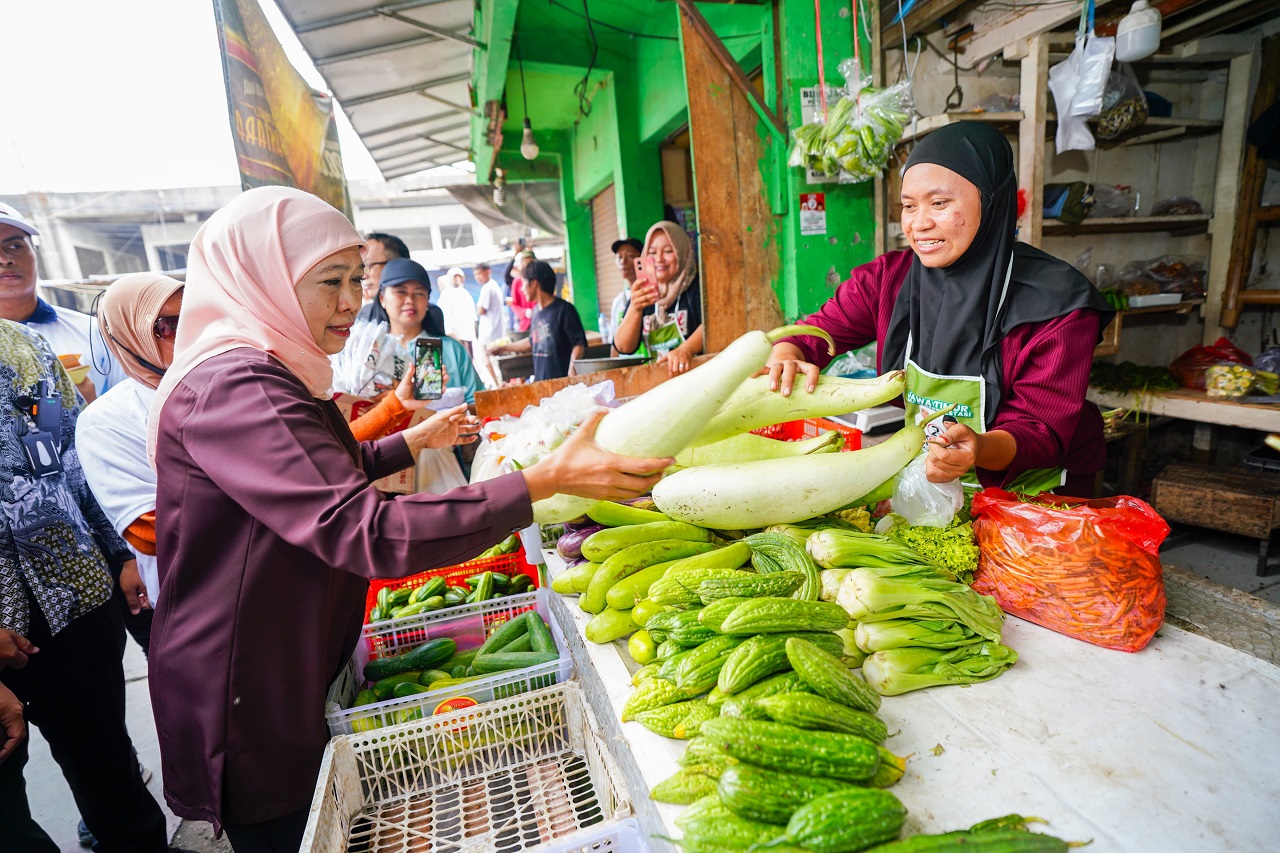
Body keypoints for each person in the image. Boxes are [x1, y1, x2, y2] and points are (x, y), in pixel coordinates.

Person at [145, 186, 670, 850]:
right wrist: (540, 480)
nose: (350, 301)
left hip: (292, 653)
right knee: (292, 830)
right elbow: (361, 528)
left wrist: (407, 442)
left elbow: (324, 467)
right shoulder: (236, 386)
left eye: (354, 279)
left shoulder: (273, 369)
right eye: (329, 281)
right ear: (265, 280)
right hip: (249, 683)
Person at [766, 122, 1114, 497]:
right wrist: (788, 353)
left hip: (1039, 502)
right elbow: (815, 332)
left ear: (990, 200)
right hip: (937, 489)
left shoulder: (1058, 304)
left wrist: (978, 448)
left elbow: (1040, 432)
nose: (920, 224)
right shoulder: (888, 280)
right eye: (909, 206)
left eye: (939, 203)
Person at [0, 319, 181, 853]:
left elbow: (66, 450)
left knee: (104, 757)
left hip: (71, 589)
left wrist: (119, 550)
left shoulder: (22, 345)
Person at [76, 273, 185, 661]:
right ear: (127, 335)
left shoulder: (229, 386)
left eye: (192, 317)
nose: (187, 333)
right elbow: (149, 529)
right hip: (197, 602)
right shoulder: (106, 420)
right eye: (165, 326)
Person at [0, 202, 126, 402]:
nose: (4, 258)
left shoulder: (95, 334)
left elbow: (133, 414)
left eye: (15, 246)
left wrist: (89, 410)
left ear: (35, 253)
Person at [613, 221, 704, 376]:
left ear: (681, 252)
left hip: (698, 379)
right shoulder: (642, 293)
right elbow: (623, 347)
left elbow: (713, 324)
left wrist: (686, 349)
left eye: (668, 251)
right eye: (652, 253)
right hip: (659, 383)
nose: (659, 259)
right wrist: (635, 308)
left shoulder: (697, 289)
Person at [489, 260, 587, 382]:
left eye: (523, 283)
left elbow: (579, 344)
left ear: (534, 283)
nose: (522, 289)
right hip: (542, 383)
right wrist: (504, 348)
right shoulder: (536, 311)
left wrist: (572, 367)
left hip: (563, 382)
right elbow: (533, 341)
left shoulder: (565, 310)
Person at [608, 237, 643, 357]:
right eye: (619, 257)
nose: (623, 261)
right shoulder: (618, 302)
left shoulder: (650, 296)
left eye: (630, 256)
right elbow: (615, 344)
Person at [474, 261, 505, 388]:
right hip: (495, 331)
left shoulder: (487, 288)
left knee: (490, 361)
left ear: (488, 272)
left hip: (489, 333)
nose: (477, 277)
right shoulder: (494, 286)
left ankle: (498, 386)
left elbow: (481, 310)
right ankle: (498, 384)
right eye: (475, 275)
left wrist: (477, 307)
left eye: (479, 274)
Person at [358, 231, 408, 306]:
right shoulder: (362, 315)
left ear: (397, 267)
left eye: (368, 265)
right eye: (360, 267)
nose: (363, 276)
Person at [438, 266, 478, 356]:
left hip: (468, 332)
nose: (457, 279)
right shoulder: (446, 294)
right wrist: (449, 330)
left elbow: (472, 314)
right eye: (455, 277)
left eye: (459, 277)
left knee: (471, 357)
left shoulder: (465, 293)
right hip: (456, 333)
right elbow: (445, 313)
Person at [506, 249, 538, 337]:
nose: (527, 265)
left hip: (541, 321)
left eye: (530, 262)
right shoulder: (517, 282)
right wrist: (525, 312)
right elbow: (514, 304)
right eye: (524, 262)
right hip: (525, 325)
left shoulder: (540, 279)